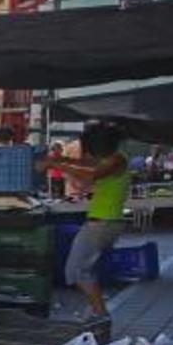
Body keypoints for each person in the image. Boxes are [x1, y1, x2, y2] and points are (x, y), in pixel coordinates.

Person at [44, 122, 130, 319]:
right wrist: (63, 158)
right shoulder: (115, 158)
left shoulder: (116, 161)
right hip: (105, 222)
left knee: (75, 270)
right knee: (84, 269)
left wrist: (57, 164)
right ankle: (96, 311)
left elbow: (92, 174)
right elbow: (91, 165)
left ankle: (101, 314)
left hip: (103, 223)